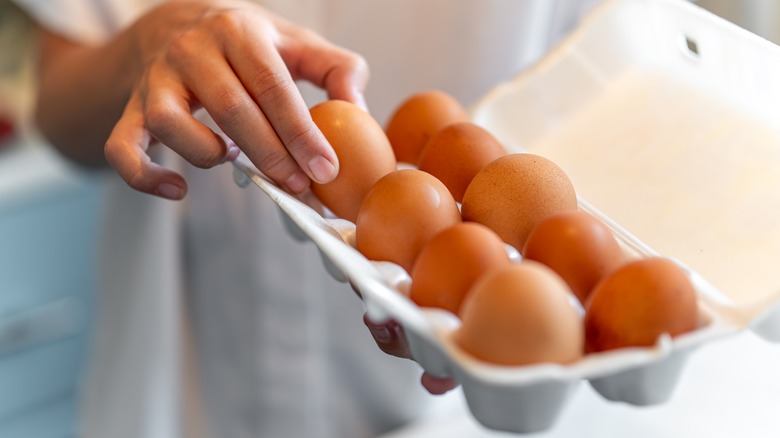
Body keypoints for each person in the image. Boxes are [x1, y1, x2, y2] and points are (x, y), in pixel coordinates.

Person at [10, 0, 601, 437]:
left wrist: (494, 290)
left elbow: (612, 89)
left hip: (439, 415)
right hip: (182, 389)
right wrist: (147, 40)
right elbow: (58, 111)